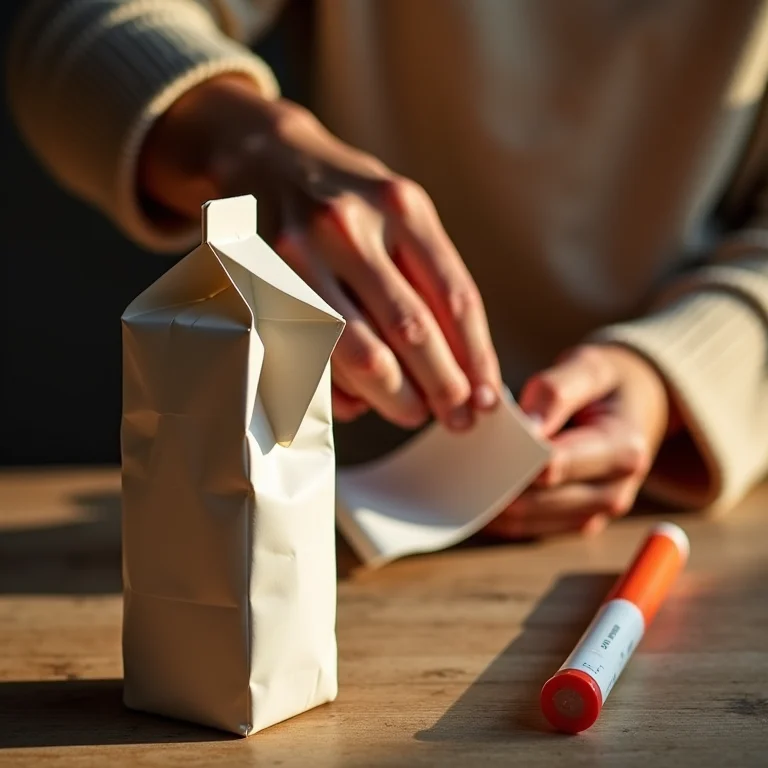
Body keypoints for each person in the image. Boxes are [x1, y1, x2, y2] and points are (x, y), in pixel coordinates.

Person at [8, 0, 768, 540]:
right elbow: (72, 22)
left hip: (675, 505)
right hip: (320, 496)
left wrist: (673, 373)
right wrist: (253, 144)